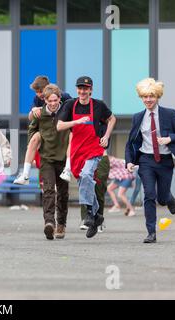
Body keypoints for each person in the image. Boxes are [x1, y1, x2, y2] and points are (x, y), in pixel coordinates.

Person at [125, 78, 175, 243]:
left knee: (161, 197)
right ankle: (151, 232)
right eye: (145, 97)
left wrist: (169, 139)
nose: (148, 100)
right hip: (146, 160)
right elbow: (131, 141)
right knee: (149, 195)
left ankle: (168, 197)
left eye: (151, 96)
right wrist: (129, 161)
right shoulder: (138, 117)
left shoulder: (169, 113)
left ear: (157, 96)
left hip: (166, 160)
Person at [57, 76, 116, 239]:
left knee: (86, 175)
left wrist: (106, 136)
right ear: (77, 90)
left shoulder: (98, 105)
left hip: (94, 148)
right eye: (80, 88)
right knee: (85, 182)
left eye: (86, 88)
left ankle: (89, 213)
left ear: (90, 90)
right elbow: (59, 125)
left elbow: (112, 119)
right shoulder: (70, 105)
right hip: (77, 150)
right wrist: (76, 122)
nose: (82, 91)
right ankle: (97, 217)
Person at [14, 76, 72, 185]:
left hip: (62, 131)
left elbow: (74, 110)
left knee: (71, 136)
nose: (39, 94)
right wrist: (34, 109)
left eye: (40, 91)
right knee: (35, 138)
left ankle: (68, 169)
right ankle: (25, 175)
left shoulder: (64, 96)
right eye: (37, 92)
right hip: (47, 131)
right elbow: (31, 117)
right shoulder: (38, 99)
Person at [32, 84, 70, 240]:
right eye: (50, 101)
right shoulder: (39, 114)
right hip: (46, 158)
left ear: (59, 99)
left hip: (63, 158)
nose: (53, 103)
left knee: (63, 193)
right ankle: (49, 223)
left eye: (55, 100)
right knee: (48, 191)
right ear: (45, 101)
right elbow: (32, 131)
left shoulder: (66, 111)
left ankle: (61, 223)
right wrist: (34, 145)